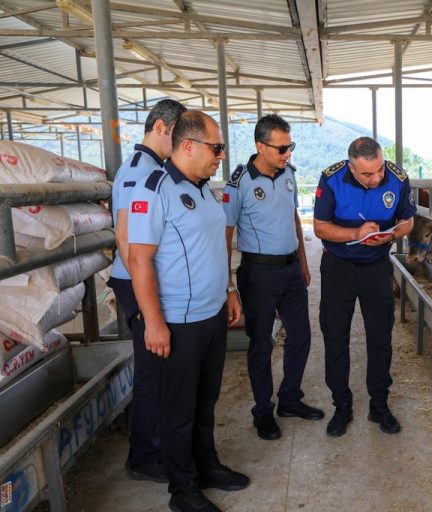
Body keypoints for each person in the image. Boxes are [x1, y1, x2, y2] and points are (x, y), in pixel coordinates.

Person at [128, 111, 249, 512]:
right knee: (178, 410)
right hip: (178, 321)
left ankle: (206, 465)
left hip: (212, 314)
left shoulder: (203, 188)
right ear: (187, 146)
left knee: (205, 400)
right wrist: (154, 323)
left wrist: (230, 289)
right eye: (216, 148)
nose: (221, 155)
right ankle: (183, 490)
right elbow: (139, 261)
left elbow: (215, 246)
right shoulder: (154, 189)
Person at [222, 114, 323, 440]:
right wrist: (229, 286)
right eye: (281, 148)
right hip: (259, 273)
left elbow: (293, 214)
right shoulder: (240, 182)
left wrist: (304, 262)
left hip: (291, 269)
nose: (287, 153)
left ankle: (290, 398)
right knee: (261, 343)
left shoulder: (289, 174)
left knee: (302, 336)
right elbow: (225, 234)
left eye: (290, 146)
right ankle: (262, 410)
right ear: (260, 146)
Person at [313, 136, 416, 437]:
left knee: (380, 336)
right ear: (351, 168)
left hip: (376, 267)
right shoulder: (332, 179)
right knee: (335, 336)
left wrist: (391, 235)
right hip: (338, 268)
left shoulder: (397, 179)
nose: (376, 178)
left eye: (379, 170)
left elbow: (408, 220)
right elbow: (320, 227)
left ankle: (379, 405)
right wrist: (356, 232)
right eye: (367, 174)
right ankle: (341, 405)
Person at [107, 98, 186, 483]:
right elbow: (126, 239)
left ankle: (155, 447)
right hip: (137, 280)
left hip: (143, 278)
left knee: (159, 367)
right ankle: (146, 455)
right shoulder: (142, 172)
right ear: (161, 128)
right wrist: (146, 302)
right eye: (179, 135)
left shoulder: (150, 168)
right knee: (153, 368)